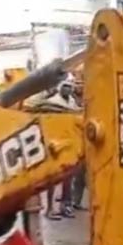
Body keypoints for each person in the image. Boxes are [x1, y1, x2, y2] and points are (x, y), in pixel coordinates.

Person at [45, 81, 79, 219]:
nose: (67, 89)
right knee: (52, 179)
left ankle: (65, 206)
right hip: (54, 144)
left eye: (70, 86)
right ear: (60, 88)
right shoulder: (51, 102)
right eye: (65, 86)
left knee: (68, 179)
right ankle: (49, 209)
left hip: (68, 144)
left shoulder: (72, 102)